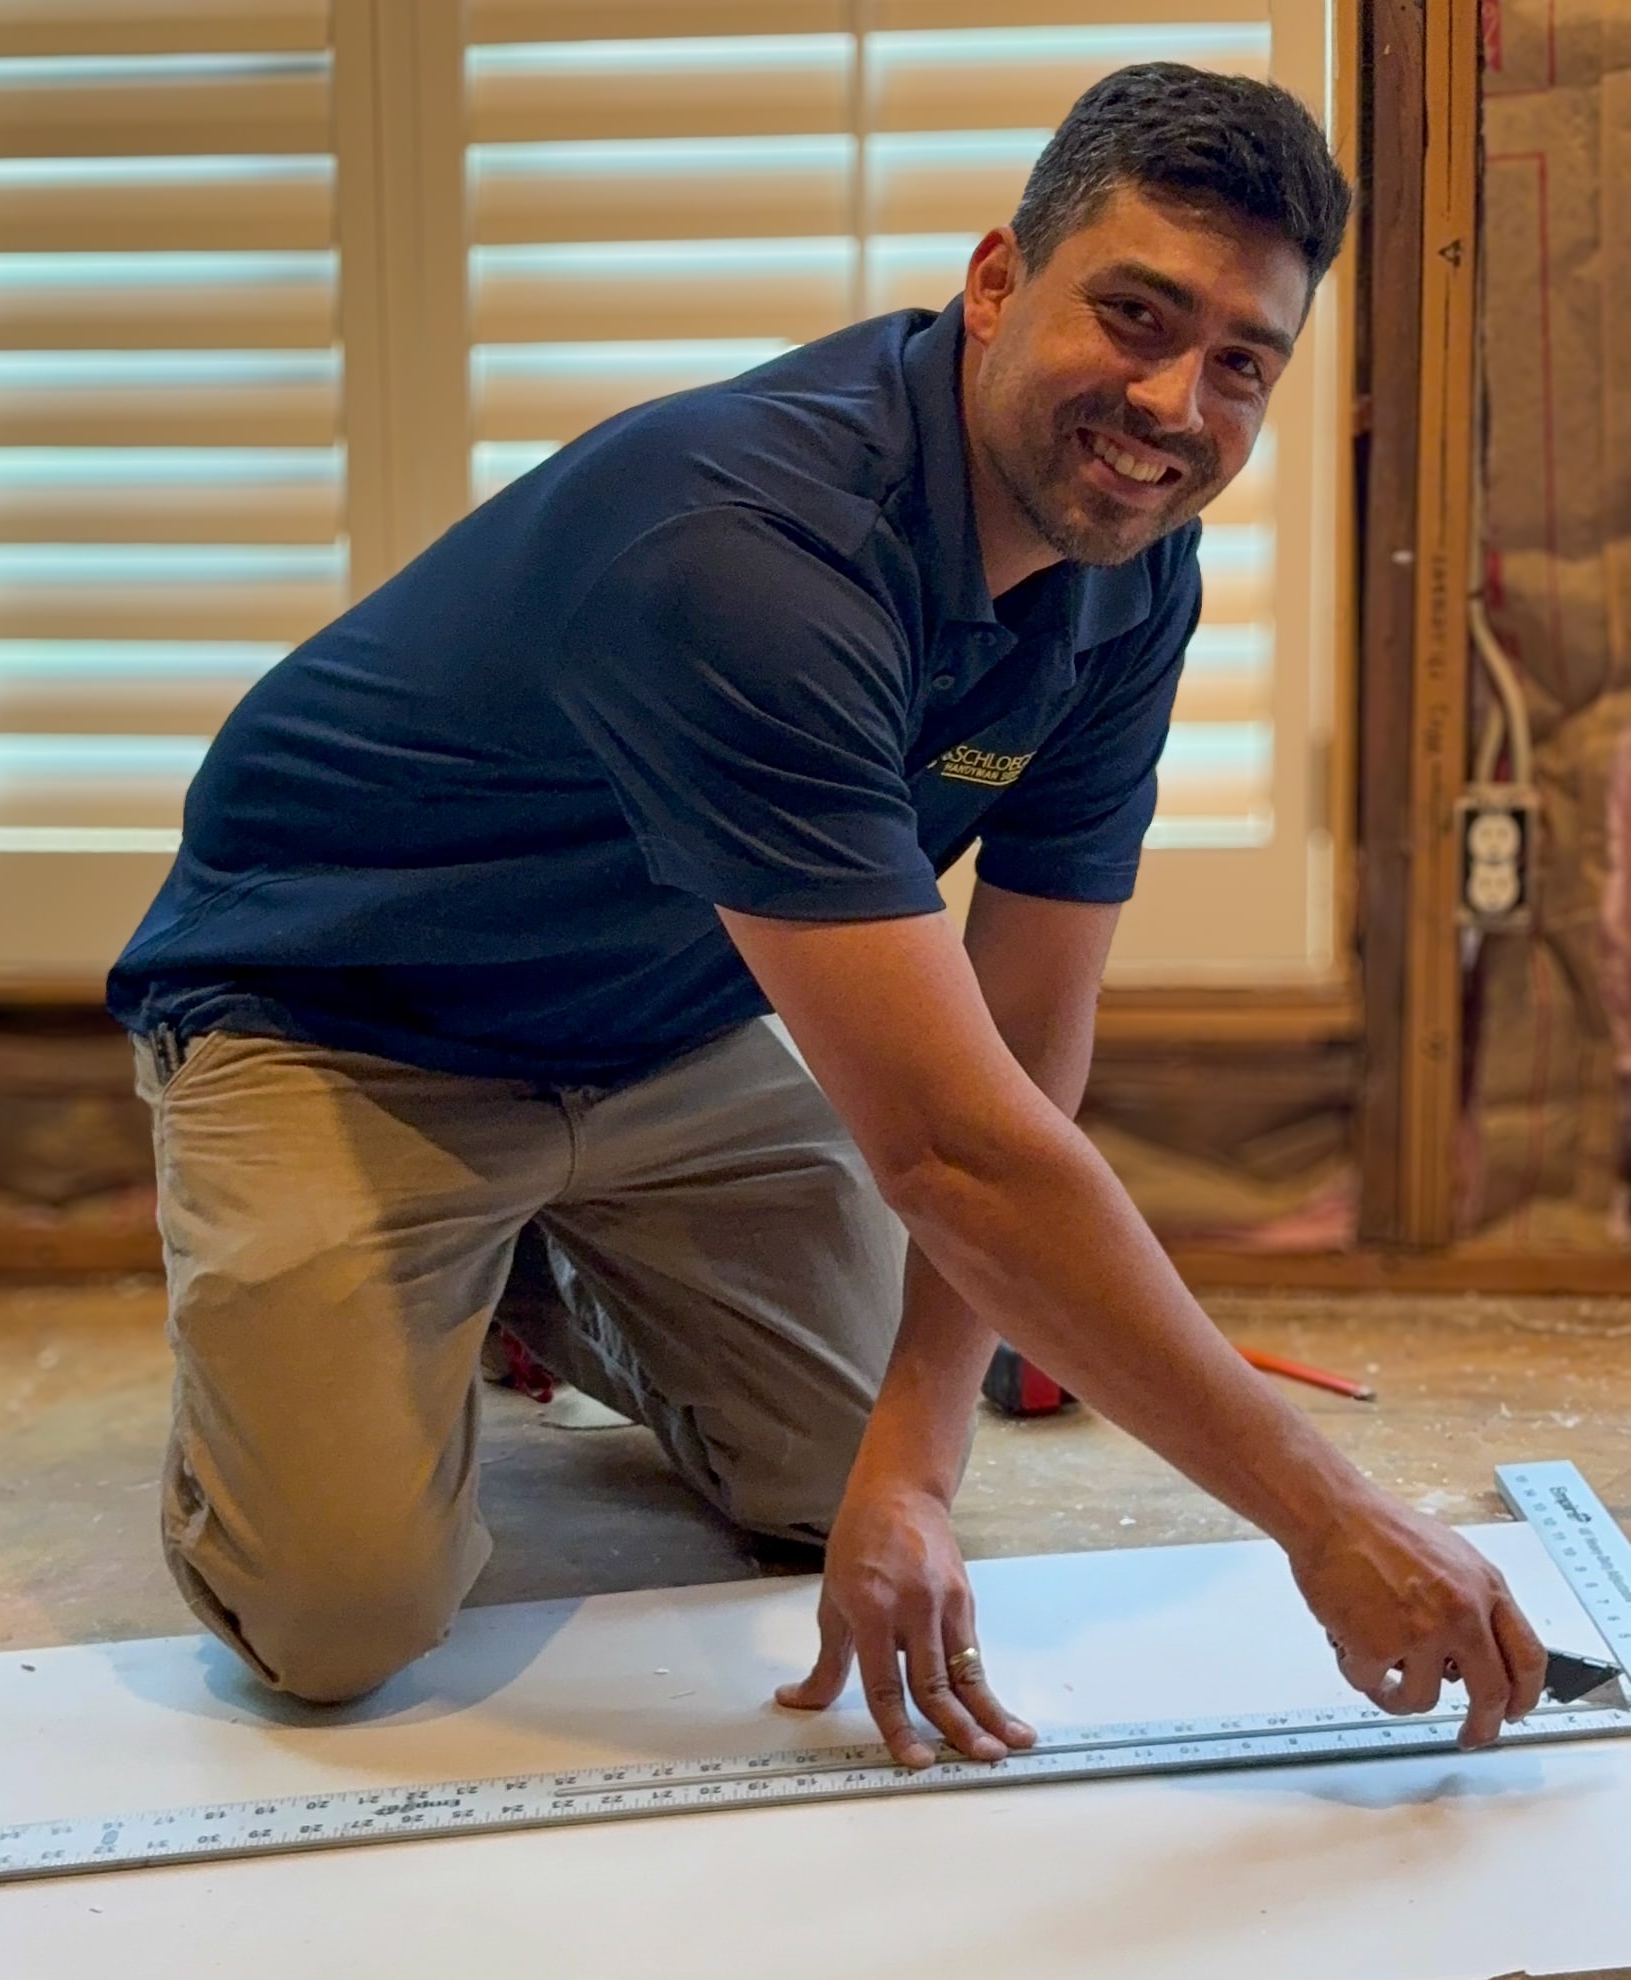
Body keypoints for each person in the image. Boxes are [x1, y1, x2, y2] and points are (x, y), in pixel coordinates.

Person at [109, 62, 1547, 1766]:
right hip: (342, 1023)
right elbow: (953, 1154)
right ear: (997, 280)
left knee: (835, 1476)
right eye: (1138, 315)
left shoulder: (1130, 568)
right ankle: (310, 1343)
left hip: (654, 1031)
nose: (1176, 405)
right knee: (336, 1624)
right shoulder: (745, 546)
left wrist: (919, 1466)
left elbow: (1019, 1038)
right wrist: (1326, 1516)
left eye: (1244, 362)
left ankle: (534, 1283)